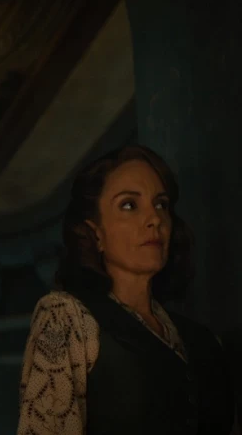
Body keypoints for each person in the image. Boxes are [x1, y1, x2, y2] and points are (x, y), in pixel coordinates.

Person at [17, 145, 237, 434]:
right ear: (95, 233)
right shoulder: (66, 317)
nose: (154, 219)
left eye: (161, 204)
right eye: (129, 205)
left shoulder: (204, 341)